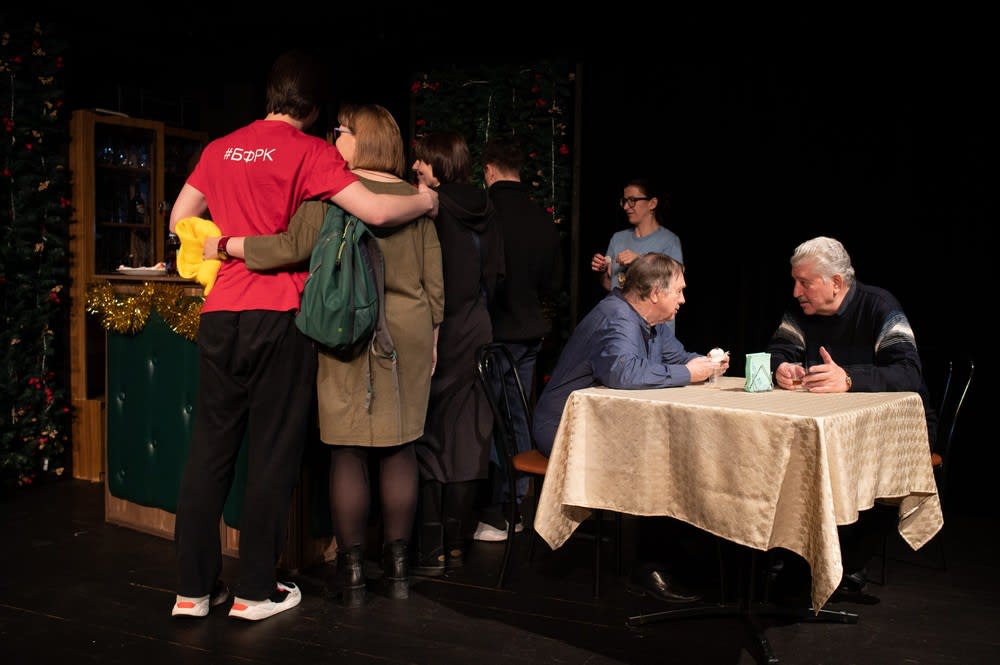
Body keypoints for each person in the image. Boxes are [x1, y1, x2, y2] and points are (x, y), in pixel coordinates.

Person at [169, 50, 437, 622]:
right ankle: (254, 591)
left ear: (271, 95)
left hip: (221, 312)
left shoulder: (220, 148)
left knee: (209, 452)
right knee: (270, 456)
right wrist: (425, 199)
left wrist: (221, 242)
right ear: (313, 108)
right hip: (278, 314)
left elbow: (179, 219)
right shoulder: (311, 151)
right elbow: (375, 212)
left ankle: (192, 591)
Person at [533, 252, 726, 604]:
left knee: (676, 451)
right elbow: (623, 373)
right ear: (655, 293)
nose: (683, 299)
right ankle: (649, 567)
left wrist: (707, 363)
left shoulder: (653, 323)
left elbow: (677, 358)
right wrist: (689, 373)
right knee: (662, 461)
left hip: (604, 426)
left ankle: (681, 558)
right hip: (565, 427)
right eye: (679, 291)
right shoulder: (617, 317)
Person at [765, 235, 936, 600]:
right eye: (795, 281)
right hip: (826, 428)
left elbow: (908, 372)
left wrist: (848, 378)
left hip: (892, 430)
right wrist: (783, 367)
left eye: (805, 282)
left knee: (864, 470)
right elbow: (778, 350)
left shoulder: (879, 306)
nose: (796, 291)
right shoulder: (801, 311)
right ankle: (793, 559)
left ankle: (842, 563)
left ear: (836, 282)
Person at [410, 131, 505, 575]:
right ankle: (456, 545)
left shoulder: (431, 207)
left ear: (440, 163)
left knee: (429, 434)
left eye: (423, 160)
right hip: (478, 328)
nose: (415, 166)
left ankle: (429, 546)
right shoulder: (487, 207)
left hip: (440, 330)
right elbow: (496, 275)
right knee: (467, 437)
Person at [472, 135, 562, 543]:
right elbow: (553, 283)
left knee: (491, 418)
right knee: (520, 416)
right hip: (530, 331)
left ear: (489, 170)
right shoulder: (541, 216)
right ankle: (518, 506)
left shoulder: (486, 212)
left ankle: (499, 511)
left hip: (496, 332)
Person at [590, 178, 682, 330]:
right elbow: (610, 285)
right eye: (624, 201)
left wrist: (641, 260)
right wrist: (603, 271)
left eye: (632, 200)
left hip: (655, 330)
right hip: (620, 326)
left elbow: (675, 286)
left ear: (652, 203)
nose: (626, 206)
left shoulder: (669, 241)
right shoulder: (618, 239)